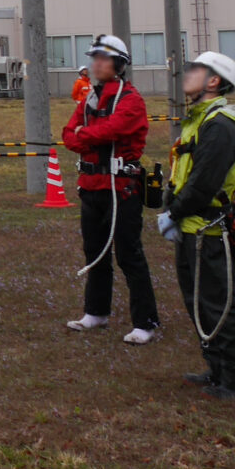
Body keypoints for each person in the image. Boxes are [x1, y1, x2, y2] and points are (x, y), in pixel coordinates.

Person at [157, 51, 235, 399]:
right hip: (191, 229)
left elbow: (203, 183)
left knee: (222, 304)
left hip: (209, 231)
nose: (187, 74)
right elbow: (184, 173)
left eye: (195, 70)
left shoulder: (220, 125)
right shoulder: (199, 120)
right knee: (199, 303)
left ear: (213, 81)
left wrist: (173, 213)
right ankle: (218, 369)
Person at [62, 35, 161, 345]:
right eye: (95, 58)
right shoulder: (89, 98)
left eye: (103, 59)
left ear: (119, 64)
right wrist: (85, 134)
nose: (96, 64)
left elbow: (113, 129)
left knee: (129, 255)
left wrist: (86, 134)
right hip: (91, 187)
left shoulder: (131, 99)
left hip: (122, 189)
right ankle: (96, 312)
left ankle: (145, 322)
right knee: (95, 252)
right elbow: (68, 135)